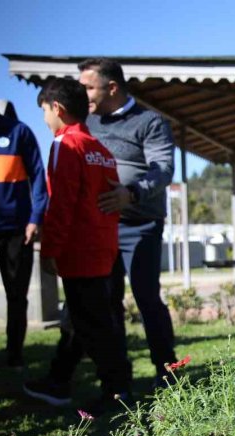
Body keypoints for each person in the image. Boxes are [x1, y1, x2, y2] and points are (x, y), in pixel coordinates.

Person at [33, 58, 178, 401]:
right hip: (99, 228)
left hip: (139, 223)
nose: (82, 94)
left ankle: (167, 371)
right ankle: (100, 379)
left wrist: (131, 193)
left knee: (145, 297)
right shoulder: (87, 125)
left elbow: (163, 169)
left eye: (88, 87)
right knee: (99, 305)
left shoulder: (149, 121)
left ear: (112, 87)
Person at [23, 78, 131, 406]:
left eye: (44, 111)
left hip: (79, 252)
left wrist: (50, 251)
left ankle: (117, 391)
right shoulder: (100, 150)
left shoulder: (64, 144)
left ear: (58, 108)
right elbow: (110, 201)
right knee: (82, 319)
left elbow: (61, 203)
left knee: (93, 325)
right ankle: (58, 381)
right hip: (103, 249)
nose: (43, 119)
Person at [0, 102, 48, 369]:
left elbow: (39, 176)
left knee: (17, 294)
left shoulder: (19, 132)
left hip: (18, 229)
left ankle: (14, 355)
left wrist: (35, 218)